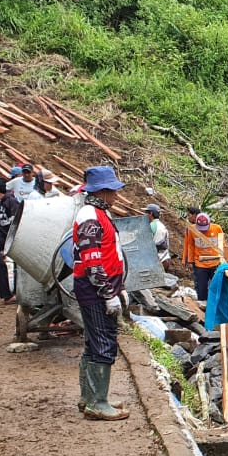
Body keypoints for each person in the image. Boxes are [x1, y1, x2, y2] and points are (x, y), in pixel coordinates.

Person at [71, 166, 130, 421]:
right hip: (94, 289)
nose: (116, 196)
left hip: (102, 286)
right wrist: (108, 293)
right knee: (104, 342)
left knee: (93, 342)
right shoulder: (90, 218)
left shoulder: (98, 213)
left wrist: (119, 288)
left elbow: (108, 255)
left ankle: (90, 397)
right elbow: (92, 261)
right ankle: (97, 402)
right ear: (102, 192)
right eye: (113, 192)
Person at [183, 212, 224, 305]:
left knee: (216, 286)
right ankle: (203, 307)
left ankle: (216, 305)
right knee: (201, 287)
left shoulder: (217, 228)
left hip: (215, 262)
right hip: (200, 263)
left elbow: (222, 244)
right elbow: (190, 246)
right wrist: (190, 261)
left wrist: (222, 259)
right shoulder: (192, 230)